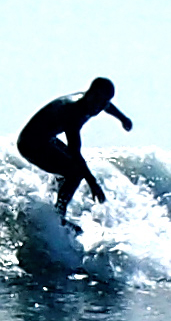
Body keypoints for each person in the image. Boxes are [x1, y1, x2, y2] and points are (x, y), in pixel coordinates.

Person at [17, 77, 132, 229]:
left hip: (46, 139)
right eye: (99, 101)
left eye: (104, 102)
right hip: (30, 144)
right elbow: (75, 152)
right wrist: (93, 183)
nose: (100, 107)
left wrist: (123, 118)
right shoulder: (73, 111)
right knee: (75, 172)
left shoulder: (97, 103)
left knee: (68, 170)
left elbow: (108, 106)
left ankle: (50, 207)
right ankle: (58, 215)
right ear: (90, 94)